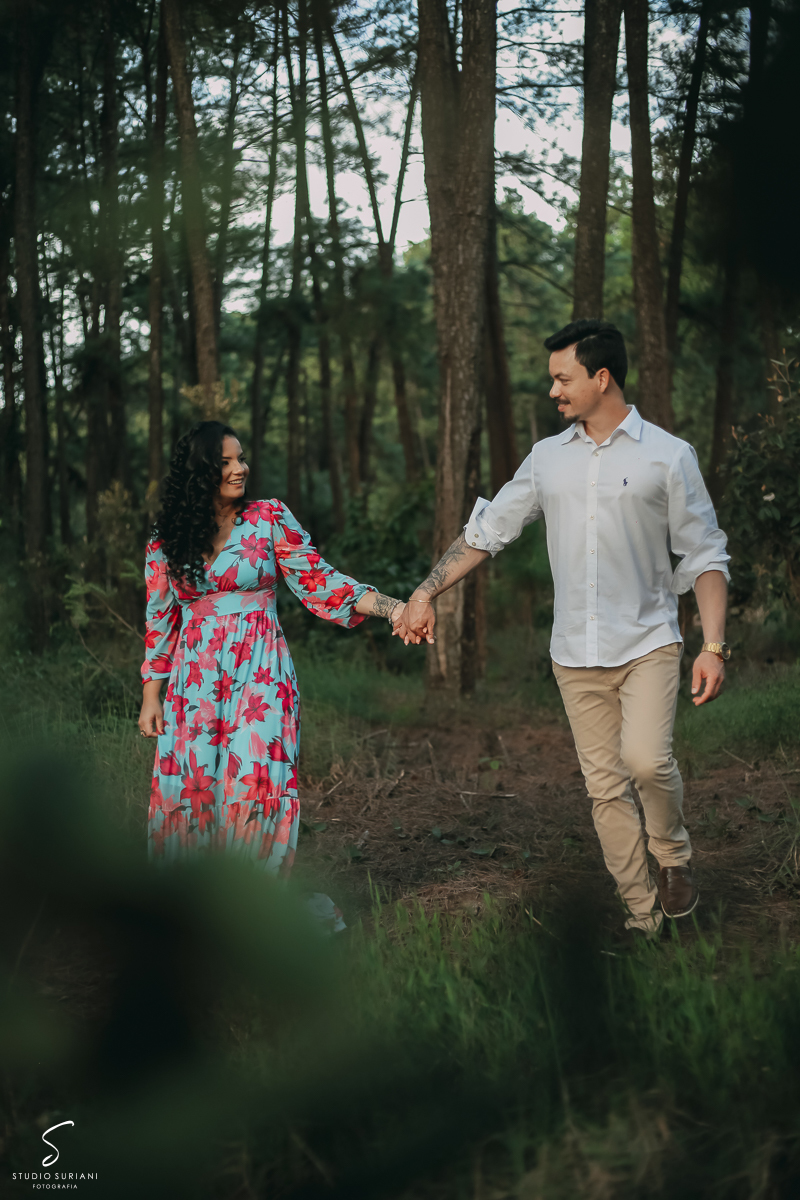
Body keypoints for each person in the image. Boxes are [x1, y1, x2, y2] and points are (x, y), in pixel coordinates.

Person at [397, 319, 731, 937]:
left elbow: (705, 555)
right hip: (574, 653)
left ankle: (674, 857)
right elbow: (485, 532)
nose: (552, 390)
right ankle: (641, 915)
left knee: (647, 763)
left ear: (601, 378)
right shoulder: (546, 459)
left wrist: (712, 645)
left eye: (562, 377)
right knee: (605, 790)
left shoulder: (668, 455)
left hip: (649, 642)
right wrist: (425, 592)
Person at [138, 421, 407, 887]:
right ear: (202, 472)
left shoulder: (268, 518)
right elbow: (161, 620)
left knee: (255, 785)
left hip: (261, 674)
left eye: (241, 458)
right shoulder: (168, 539)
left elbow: (321, 581)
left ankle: (252, 908)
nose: (240, 468)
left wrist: (394, 608)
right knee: (192, 790)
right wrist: (151, 693)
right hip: (194, 682)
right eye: (226, 461)